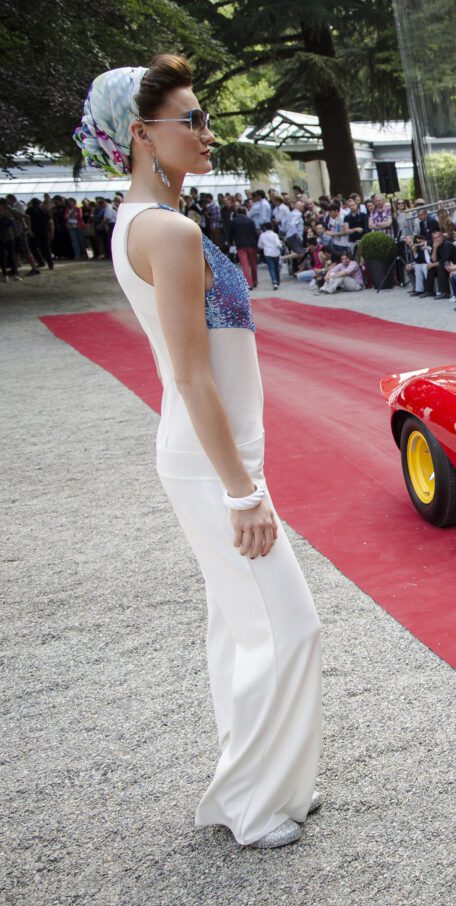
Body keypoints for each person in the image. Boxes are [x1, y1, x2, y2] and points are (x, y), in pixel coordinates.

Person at [75, 55, 320, 850]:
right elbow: (189, 375)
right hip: (210, 459)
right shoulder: (167, 230)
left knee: (240, 624)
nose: (209, 134)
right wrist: (243, 491)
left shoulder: (148, 221)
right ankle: (251, 804)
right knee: (291, 625)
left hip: (209, 453)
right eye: (193, 120)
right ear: (143, 135)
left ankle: (262, 787)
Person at [256, 222, 282, 290]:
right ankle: (278, 280)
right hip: (275, 252)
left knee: (271, 267)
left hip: (267, 252)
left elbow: (260, 245)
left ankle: (274, 282)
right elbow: (278, 244)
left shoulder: (262, 235)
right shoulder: (275, 235)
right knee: (276, 267)